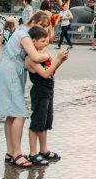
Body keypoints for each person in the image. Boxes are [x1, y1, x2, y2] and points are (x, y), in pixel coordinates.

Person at [0, 11, 52, 169]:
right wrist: (49, 56)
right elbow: (36, 57)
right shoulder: (25, 36)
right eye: (43, 26)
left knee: (11, 114)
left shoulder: (20, 32)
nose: (44, 30)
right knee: (19, 113)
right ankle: (17, 153)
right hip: (11, 73)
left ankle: (10, 151)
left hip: (7, 71)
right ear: (35, 21)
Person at [24, 25, 69, 166]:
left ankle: (43, 150)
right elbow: (44, 73)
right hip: (39, 92)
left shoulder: (40, 56)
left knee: (45, 122)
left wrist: (59, 61)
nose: (45, 44)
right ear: (33, 41)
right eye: (42, 41)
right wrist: (57, 59)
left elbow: (51, 71)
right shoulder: (31, 59)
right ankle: (33, 153)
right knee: (37, 122)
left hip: (48, 91)